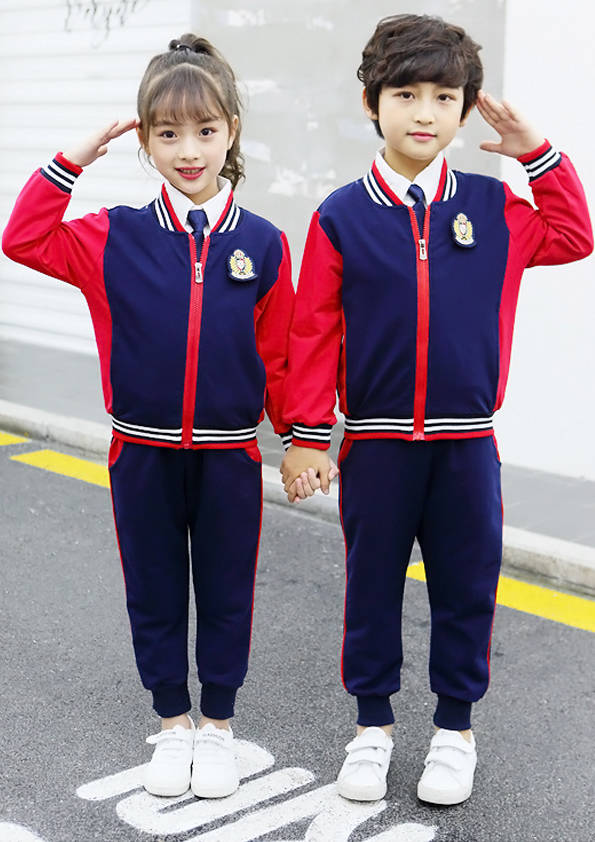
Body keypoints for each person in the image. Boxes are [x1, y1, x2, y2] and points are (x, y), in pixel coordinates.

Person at [281, 13, 592, 806]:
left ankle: (455, 732)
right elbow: (312, 331)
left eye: (444, 97)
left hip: (465, 448)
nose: (424, 113)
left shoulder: (494, 208)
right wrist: (307, 436)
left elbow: (573, 234)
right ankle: (371, 729)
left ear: (463, 108)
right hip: (376, 445)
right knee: (370, 587)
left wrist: (534, 152)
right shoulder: (341, 215)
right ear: (371, 103)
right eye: (406, 94)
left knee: (465, 587)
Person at [3, 34, 294, 800]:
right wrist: (72, 159)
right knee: (154, 590)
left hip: (230, 457)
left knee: (226, 594)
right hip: (141, 453)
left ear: (231, 131)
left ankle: (218, 727)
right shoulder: (113, 236)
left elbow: (280, 357)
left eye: (204, 131)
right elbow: (23, 239)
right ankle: (172, 723)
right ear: (145, 140)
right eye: (167, 133)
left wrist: (303, 438)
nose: (187, 151)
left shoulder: (262, 243)